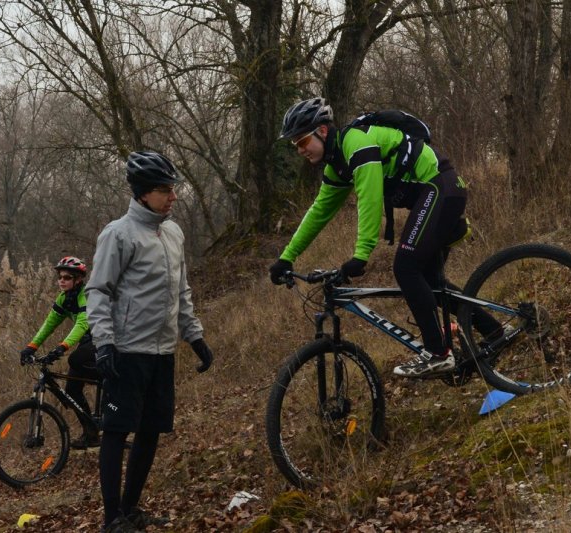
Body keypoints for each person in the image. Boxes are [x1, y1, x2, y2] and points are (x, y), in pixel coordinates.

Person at [269, 97, 503, 378]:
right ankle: (494, 333)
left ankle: (439, 354)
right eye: (295, 145)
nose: (299, 150)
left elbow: (369, 198)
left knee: (405, 267)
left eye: (302, 141)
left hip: (440, 187)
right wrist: (286, 257)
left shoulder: (356, 143)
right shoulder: (337, 166)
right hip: (436, 194)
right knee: (430, 283)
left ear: (322, 130)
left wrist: (361, 254)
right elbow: (319, 212)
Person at [86, 150, 214, 532]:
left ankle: (130, 509)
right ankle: (111, 519)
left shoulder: (173, 232)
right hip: (127, 351)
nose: (172, 197)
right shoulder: (118, 234)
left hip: (162, 352)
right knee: (115, 432)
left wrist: (195, 338)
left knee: (151, 431)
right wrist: (104, 343)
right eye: (164, 190)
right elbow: (98, 291)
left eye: (173, 189)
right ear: (143, 193)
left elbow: (181, 292)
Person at [19, 256, 100, 449]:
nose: (62, 280)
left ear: (78, 279)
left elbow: (82, 323)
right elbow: (50, 323)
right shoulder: (64, 298)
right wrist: (32, 346)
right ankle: (91, 435)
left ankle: (110, 384)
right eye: (60, 277)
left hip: (107, 339)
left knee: (76, 359)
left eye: (67, 277)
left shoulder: (85, 295)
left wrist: (62, 347)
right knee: (72, 390)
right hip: (89, 340)